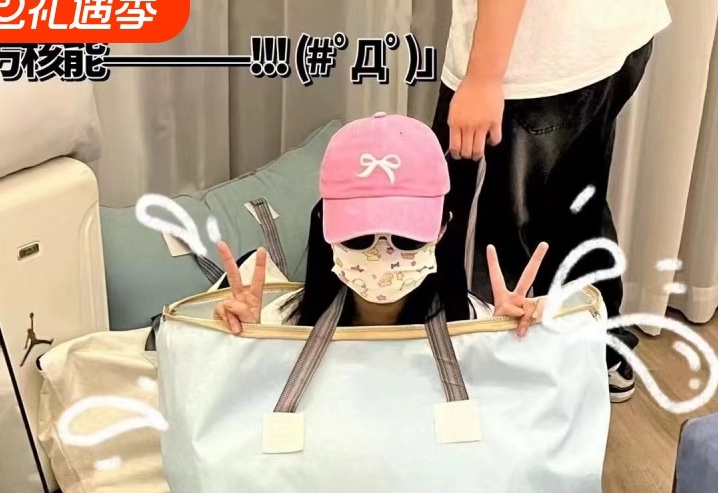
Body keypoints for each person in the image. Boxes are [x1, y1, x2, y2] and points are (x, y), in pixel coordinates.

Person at [432, 0, 671, 402]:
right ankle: (600, 351)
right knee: (575, 208)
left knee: (488, 247)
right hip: (607, 22)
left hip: (534, 61)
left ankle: (502, 390)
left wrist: (484, 78)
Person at [213, 112, 548, 335]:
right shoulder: (278, 324)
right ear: (325, 228)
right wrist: (247, 344)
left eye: (407, 239)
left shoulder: (475, 325)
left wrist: (504, 347)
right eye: (359, 238)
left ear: (442, 229)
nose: (382, 255)